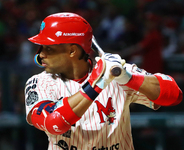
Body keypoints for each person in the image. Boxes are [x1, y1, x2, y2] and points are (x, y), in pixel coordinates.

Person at [24, 12, 183, 150]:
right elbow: (54, 123)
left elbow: (174, 95)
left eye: (48, 47)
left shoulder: (115, 72)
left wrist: (128, 77)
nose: (41, 54)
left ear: (72, 51)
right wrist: (97, 83)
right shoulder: (40, 82)